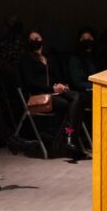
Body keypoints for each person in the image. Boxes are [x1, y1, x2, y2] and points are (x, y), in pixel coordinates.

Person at [19, 29, 89, 160]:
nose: (36, 41)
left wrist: (61, 85)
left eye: (38, 38)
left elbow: (58, 76)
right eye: (32, 40)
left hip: (54, 92)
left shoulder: (49, 58)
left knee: (78, 97)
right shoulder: (26, 59)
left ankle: (68, 140)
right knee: (72, 105)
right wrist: (51, 88)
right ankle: (69, 141)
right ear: (28, 43)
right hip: (39, 95)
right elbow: (30, 82)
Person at [67, 27, 99, 93]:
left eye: (90, 38)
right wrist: (95, 86)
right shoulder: (75, 59)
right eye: (83, 38)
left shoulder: (98, 56)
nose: (87, 40)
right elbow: (78, 82)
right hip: (85, 92)